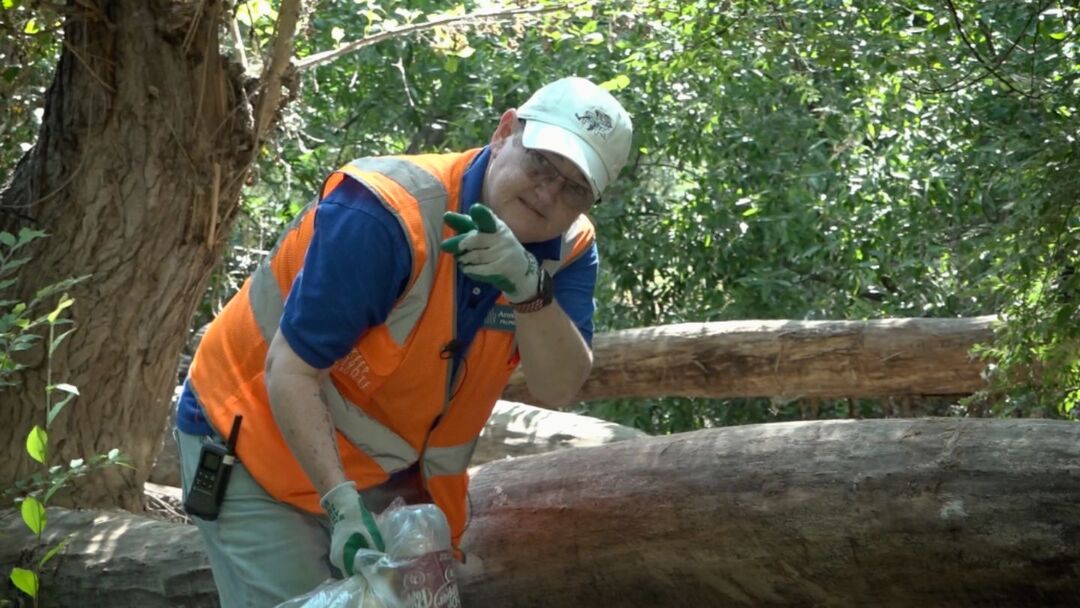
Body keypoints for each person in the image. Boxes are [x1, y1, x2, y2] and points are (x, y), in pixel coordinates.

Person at [174, 76, 633, 606]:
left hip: (387, 474)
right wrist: (342, 508)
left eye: (574, 186)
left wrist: (531, 289)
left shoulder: (569, 250)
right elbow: (291, 371)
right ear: (505, 132)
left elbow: (559, 385)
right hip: (254, 437)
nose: (547, 192)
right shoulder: (387, 214)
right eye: (541, 163)